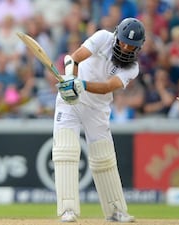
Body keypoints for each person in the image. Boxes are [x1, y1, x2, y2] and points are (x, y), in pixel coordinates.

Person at [53, 18, 145, 222]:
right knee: (66, 151)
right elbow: (74, 59)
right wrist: (71, 83)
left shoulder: (132, 68)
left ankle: (115, 211)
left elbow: (106, 87)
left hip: (98, 108)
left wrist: (81, 85)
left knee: (104, 158)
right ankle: (68, 210)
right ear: (116, 36)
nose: (127, 47)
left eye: (132, 46)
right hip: (71, 102)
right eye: (123, 42)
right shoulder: (103, 37)